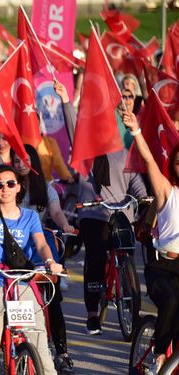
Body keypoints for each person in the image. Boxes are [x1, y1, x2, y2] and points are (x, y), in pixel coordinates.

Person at [0, 136, 63, 375]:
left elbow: (41, 244)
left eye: (10, 184)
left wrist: (51, 262)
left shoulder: (30, 217)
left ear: (19, 186)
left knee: (40, 346)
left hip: (21, 282)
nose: (5, 189)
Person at [76, 126, 147, 335]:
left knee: (127, 253)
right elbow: (83, 179)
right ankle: (92, 314)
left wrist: (143, 197)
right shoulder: (85, 154)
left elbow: (135, 181)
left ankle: (127, 288)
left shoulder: (124, 154)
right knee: (95, 259)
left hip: (121, 214)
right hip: (94, 214)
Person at [123, 111, 179, 372]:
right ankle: (158, 356)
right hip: (161, 267)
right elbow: (148, 161)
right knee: (170, 301)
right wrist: (136, 131)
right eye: (178, 162)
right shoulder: (167, 191)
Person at [12, 144, 76, 374]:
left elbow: (56, 212)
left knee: (54, 298)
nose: (21, 165)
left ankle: (62, 352)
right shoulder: (9, 187)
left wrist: (65, 224)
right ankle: (14, 347)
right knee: (15, 295)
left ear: (34, 162)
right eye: (16, 160)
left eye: (25, 160)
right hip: (16, 248)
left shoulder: (45, 187)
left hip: (42, 247)